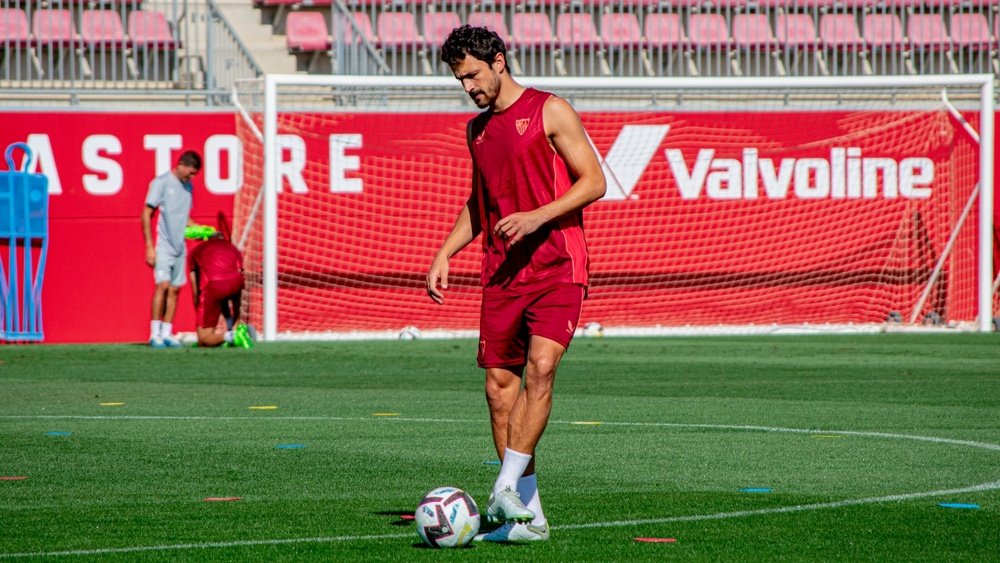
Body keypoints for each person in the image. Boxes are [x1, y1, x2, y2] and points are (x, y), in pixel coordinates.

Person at [427, 25, 606, 543]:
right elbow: (479, 204)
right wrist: (445, 252)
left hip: (556, 265)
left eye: (473, 76)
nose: (468, 88)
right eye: (460, 80)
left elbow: (594, 181)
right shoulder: (475, 131)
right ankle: (530, 518)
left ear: (499, 62)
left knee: (541, 368)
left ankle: (503, 484)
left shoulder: (550, 109)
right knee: (498, 390)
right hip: (502, 272)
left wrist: (536, 217)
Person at [142, 150, 202, 348]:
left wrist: (204, 231)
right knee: (162, 286)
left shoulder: (188, 187)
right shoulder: (161, 183)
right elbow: (146, 213)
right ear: (181, 164)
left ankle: (167, 332)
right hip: (163, 246)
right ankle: (154, 334)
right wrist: (149, 247)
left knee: (175, 290)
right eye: (190, 173)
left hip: (179, 247)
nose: (192, 177)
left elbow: (185, 219)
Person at [187, 231, 253, 348]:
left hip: (214, 284)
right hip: (237, 282)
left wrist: (200, 310)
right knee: (228, 296)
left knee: (203, 339)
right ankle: (237, 329)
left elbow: (195, 289)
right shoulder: (233, 248)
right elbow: (241, 273)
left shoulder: (197, 250)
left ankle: (231, 336)